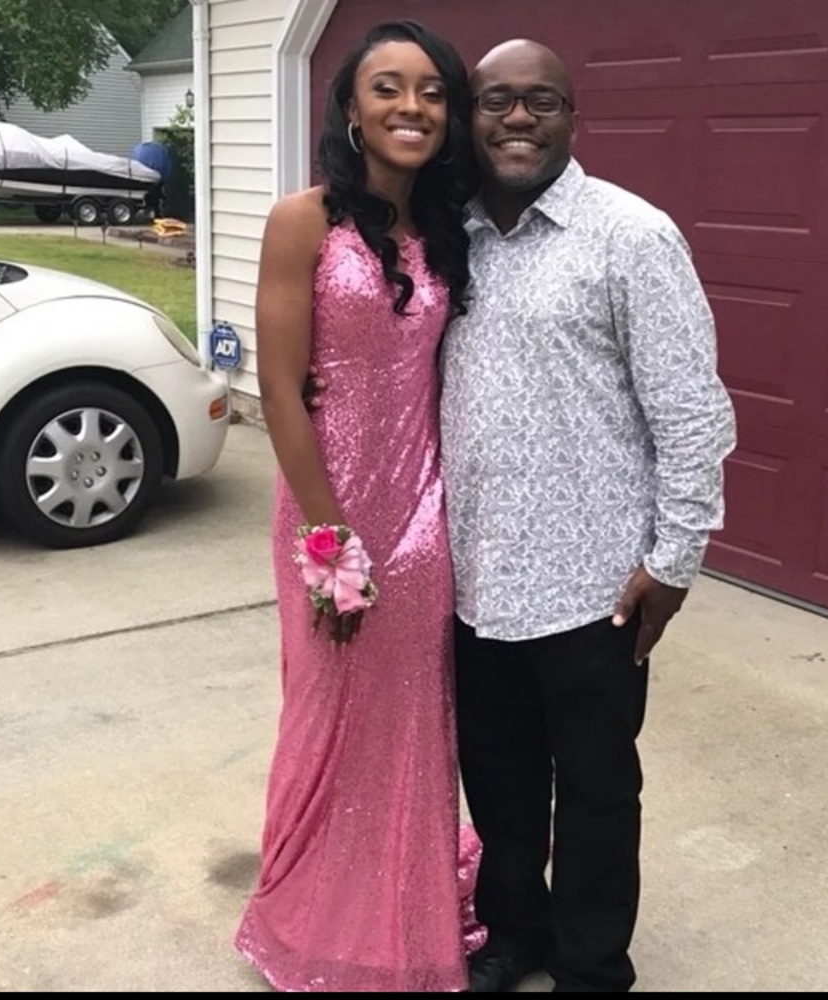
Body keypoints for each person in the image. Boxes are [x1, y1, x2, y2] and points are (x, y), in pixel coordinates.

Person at [440, 40, 737, 994]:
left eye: (542, 101)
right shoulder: (451, 238)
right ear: (471, 117)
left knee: (599, 791)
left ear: (574, 116)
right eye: (497, 100)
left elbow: (692, 414)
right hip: (477, 577)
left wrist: (675, 560)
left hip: (597, 586)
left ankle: (593, 965)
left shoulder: (631, 236)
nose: (518, 119)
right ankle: (515, 935)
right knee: (500, 780)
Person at [233, 19, 483, 994]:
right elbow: (281, 386)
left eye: (431, 91)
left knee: (411, 718)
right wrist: (331, 544)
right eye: (388, 87)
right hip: (328, 511)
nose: (411, 106)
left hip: (423, 510)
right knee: (326, 708)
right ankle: (314, 911)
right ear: (349, 108)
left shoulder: (448, 228)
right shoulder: (302, 220)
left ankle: (401, 910)